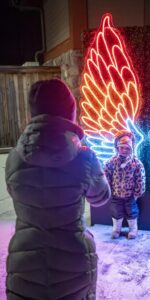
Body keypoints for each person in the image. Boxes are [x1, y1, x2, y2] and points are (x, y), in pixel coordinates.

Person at [5, 78, 111, 300]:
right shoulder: (84, 156)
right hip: (72, 260)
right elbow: (101, 197)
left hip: (25, 260)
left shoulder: (14, 157)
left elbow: (15, 192)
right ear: (69, 113)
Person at [104, 131, 145, 239]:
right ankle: (116, 229)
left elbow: (140, 178)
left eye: (127, 148)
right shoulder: (111, 162)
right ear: (117, 148)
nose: (124, 150)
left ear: (131, 149)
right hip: (115, 194)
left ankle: (133, 229)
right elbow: (106, 176)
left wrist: (137, 193)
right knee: (116, 212)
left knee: (132, 212)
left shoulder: (136, 163)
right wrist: (108, 190)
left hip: (130, 195)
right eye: (122, 148)